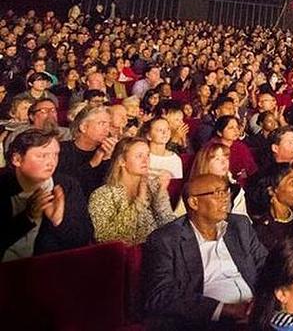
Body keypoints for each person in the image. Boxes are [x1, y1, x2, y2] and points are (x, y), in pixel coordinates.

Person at [143, 173, 269, 330]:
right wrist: (225, 309)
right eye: (217, 193)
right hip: (207, 322)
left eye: (226, 191)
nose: (225, 198)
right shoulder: (166, 240)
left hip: (256, 313)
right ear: (194, 202)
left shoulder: (240, 225)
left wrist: (265, 302)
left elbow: (267, 267)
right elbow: (160, 295)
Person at [1, 129, 93, 260]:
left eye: (55, 155)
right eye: (42, 156)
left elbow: (82, 240)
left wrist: (59, 221)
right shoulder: (3, 186)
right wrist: (28, 217)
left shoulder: (66, 186)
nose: (52, 162)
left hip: (48, 268)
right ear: (17, 159)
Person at [88, 136, 174, 245]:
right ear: (122, 161)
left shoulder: (153, 187)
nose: (146, 160)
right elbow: (106, 238)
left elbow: (169, 226)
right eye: (139, 156)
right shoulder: (102, 195)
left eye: (148, 155)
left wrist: (161, 193)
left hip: (157, 251)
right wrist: (139, 201)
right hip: (126, 258)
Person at [54, 104, 116, 196]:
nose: (107, 129)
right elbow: (64, 187)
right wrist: (92, 164)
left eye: (109, 125)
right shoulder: (61, 150)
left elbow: (108, 190)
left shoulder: (108, 152)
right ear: (83, 127)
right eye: (102, 123)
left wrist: (107, 159)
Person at [185, 142, 249, 217]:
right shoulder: (192, 189)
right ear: (206, 162)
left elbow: (242, 220)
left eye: (226, 158)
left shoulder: (235, 190)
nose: (224, 162)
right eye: (217, 159)